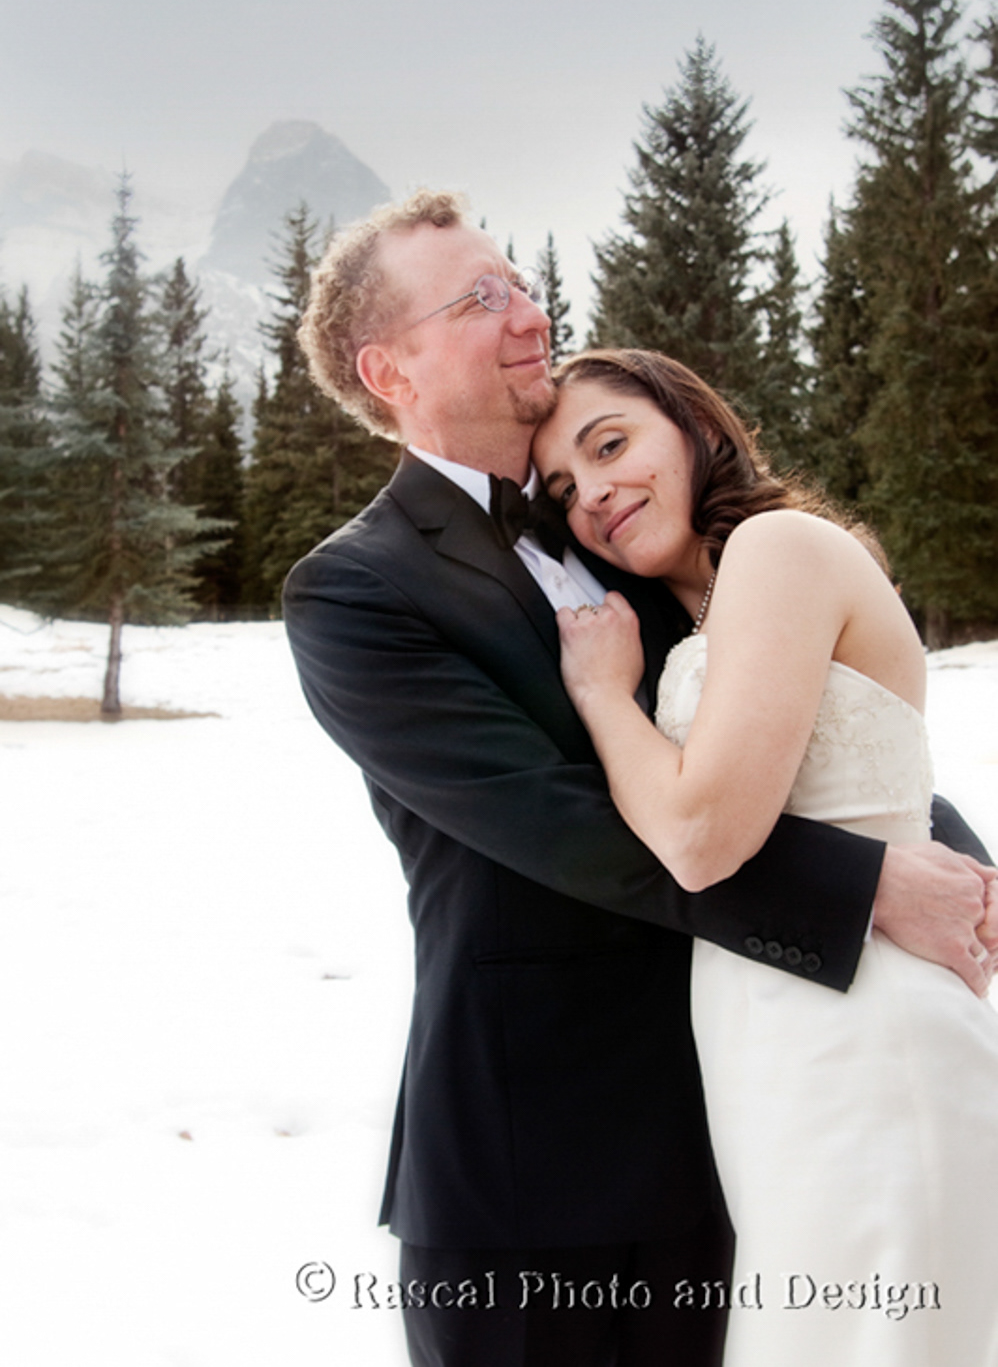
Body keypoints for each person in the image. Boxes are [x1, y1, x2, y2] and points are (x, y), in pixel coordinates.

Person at [282, 190, 995, 1367]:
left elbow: (791, 736)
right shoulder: (356, 591)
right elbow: (562, 824)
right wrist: (864, 888)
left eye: (519, 281)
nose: (529, 312)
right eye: (480, 297)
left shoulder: (621, 530)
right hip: (535, 1178)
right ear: (388, 368)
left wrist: (948, 865)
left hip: (751, 1120)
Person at [531, 346, 998, 1365]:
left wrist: (605, 696)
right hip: (773, 1042)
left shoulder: (780, 549)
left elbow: (700, 838)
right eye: (563, 489)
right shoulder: (706, 606)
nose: (595, 494)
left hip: (864, 1035)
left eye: (611, 444)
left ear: (695, 424)